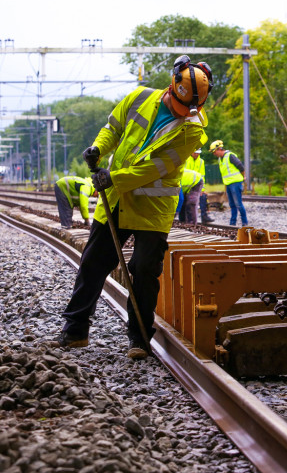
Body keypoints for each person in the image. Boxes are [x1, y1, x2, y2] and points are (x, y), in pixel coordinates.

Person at [52, 55, 213, 359]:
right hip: (115, 198)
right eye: (178, 106)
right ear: (171, 86)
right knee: (93, 263)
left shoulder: (192, 130)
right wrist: (99, 148)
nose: (181, 113)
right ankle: (75, 332)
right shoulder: (139, 97)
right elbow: (113, 127)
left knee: (143, 271)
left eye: (187, 110)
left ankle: (139, 340)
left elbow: (156, 168)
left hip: (152, 209)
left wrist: (112, 179)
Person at [209, 140, 248, 226]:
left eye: (214, 151)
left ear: (219, 149)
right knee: (232, 204)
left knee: (238, 204)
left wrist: (243, 177)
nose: (214, 154)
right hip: (228, 184)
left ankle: (244, 223)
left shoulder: (230, 156)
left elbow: (241, 167)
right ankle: (232, 223)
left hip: (235, 183)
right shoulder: (220, 159)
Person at [184, 149, 214, 223]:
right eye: (195, 153)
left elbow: (202, 175)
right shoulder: (186, 160)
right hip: (187, 185)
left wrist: (202, 189)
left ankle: (204, 216)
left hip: (197, 185)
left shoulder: (201, 161)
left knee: (203, 197)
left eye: (198, 153)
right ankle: (186, 219)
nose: (196, 154)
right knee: (186, 202)